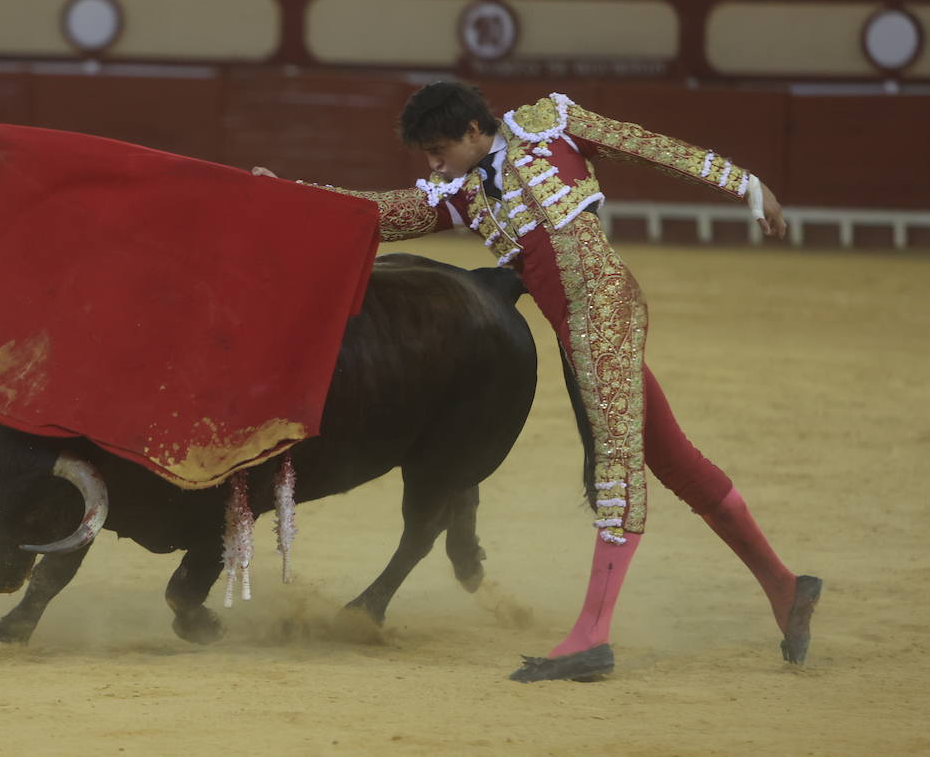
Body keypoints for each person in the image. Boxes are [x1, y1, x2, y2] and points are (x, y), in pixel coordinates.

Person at [251, 81, 819, 683]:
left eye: (440, 150)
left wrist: (747, 184)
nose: (433, 165)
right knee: (673, 461)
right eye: (427, 156)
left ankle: (591, 638)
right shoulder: (465, 192)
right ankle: (787, 589)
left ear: (475, 130)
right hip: (577, 330)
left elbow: (648, 147)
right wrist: (291, 194)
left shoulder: (549, 126)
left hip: (604, 312)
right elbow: (380, 212)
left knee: (617, 471)